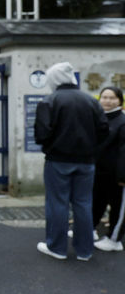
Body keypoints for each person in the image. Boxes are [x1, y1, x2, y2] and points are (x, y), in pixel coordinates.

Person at [34, 62, 108, 261]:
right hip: (87, 161)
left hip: (58, 160)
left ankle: (57, 248)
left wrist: (52, 146)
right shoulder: (91, 101)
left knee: (58, 203)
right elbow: (103, 130)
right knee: (83, 203)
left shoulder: (49, 101)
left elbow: (41, 134)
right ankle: (85, 250)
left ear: (54, 79)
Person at [92, 86, 125, 252]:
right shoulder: (99, 118)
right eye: (104, 97)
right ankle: (90, 229)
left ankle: (114, 240)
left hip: (116, 175)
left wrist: (122, 176)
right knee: (97, 202)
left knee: (118, 207)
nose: (107, 101)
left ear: (119, 100)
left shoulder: (122, 121)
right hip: (100, 172)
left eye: (112, 98)